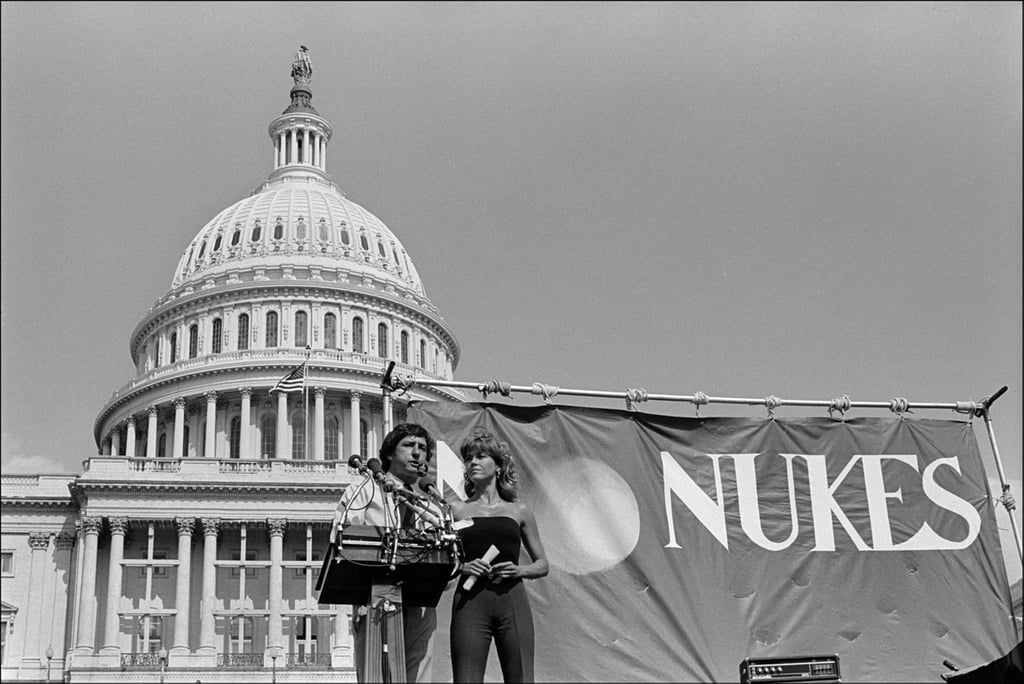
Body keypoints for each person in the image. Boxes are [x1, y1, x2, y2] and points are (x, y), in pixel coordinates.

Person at [332, 423, 442, 683]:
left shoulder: (429, 504)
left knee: (419, 675)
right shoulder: (365, 490)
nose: (417, 453)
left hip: (421, 603)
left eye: (423, 449)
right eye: (409, 446)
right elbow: (341, 538)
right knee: (376, 674)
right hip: (375, 596)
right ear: (390, 454)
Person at [449, 428, 549, 683]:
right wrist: (463, 566)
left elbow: (542, 564)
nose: (473, 462)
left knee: (522, 678)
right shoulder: (456, 510)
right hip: (470, 603)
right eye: (469, 457)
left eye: (481, 456)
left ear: (498, 464)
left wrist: (520, 570)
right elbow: (442, 560)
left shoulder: (520, 511)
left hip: (512, 601)